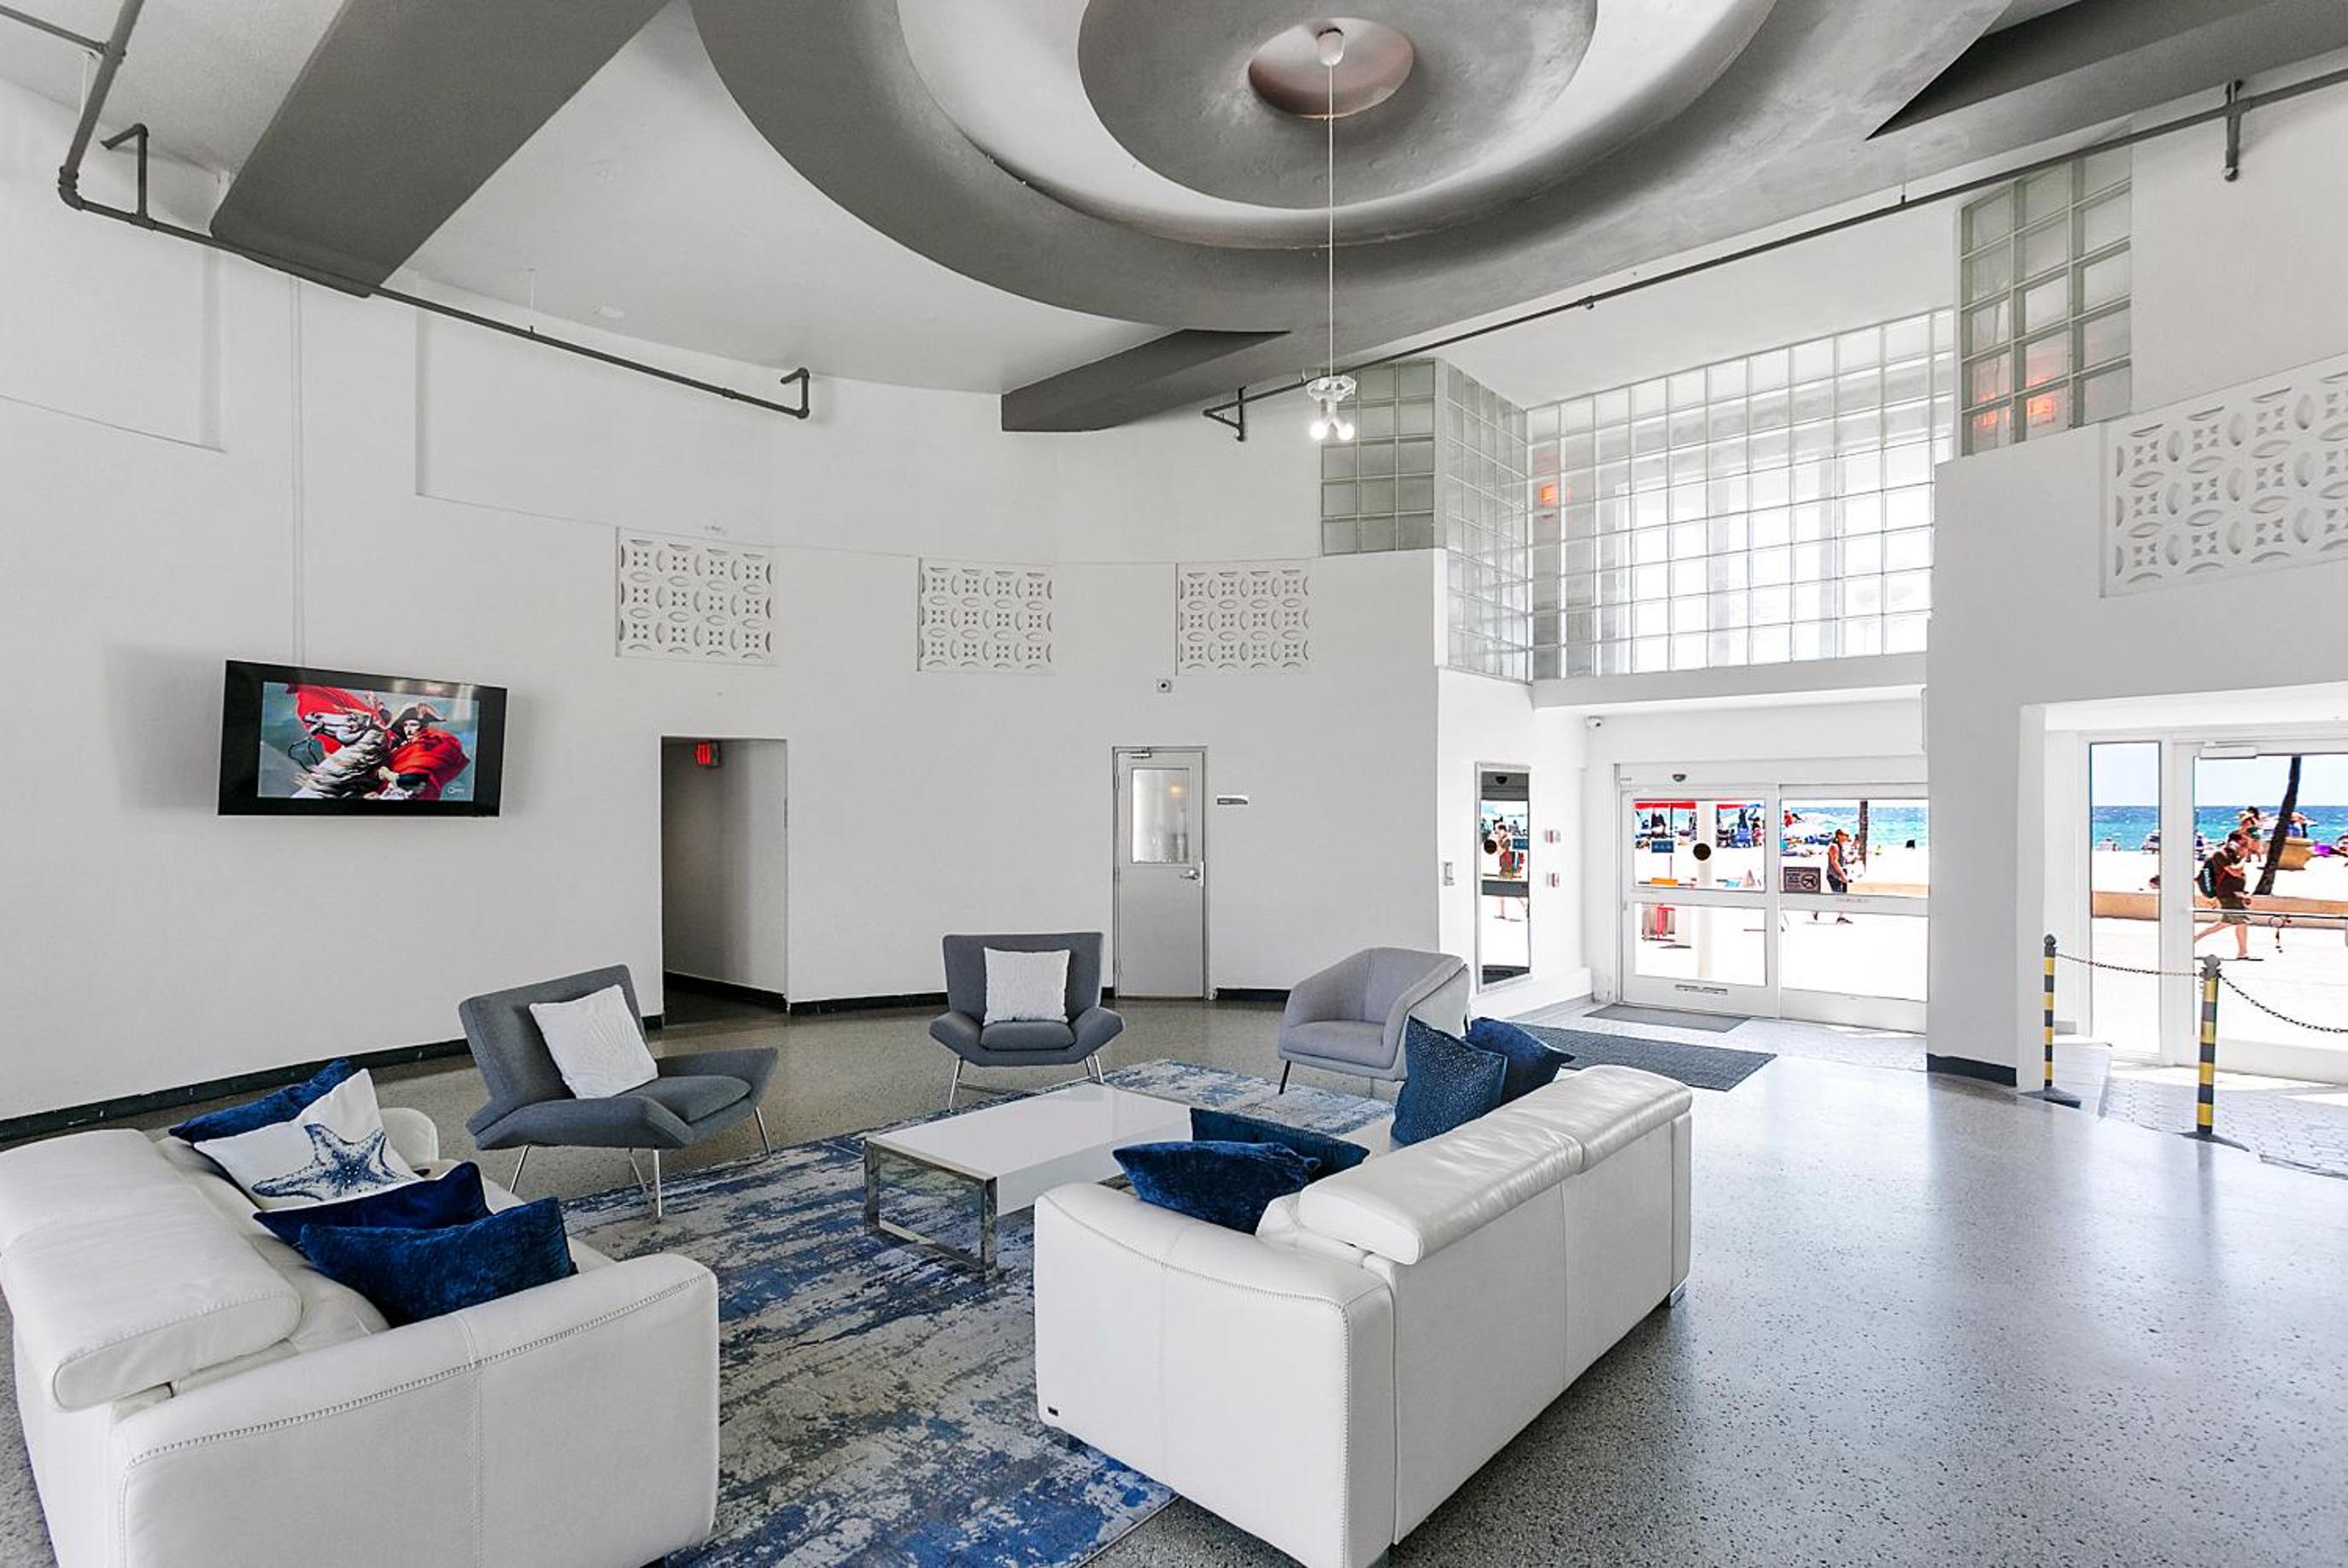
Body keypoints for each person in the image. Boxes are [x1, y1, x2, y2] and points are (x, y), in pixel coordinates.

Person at [2192, 830, 2259, 961]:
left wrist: (2244, 893)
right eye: (2244, 842)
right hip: (2229, 894)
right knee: (2241, 921)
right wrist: (2244, 858)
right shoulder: (2221, 854)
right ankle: (2243, 952)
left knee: (2226, 922)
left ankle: (2193, 939)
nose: (2245, 845)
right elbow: (2235, 871)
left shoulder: (2232, 854)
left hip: (2235, 893)